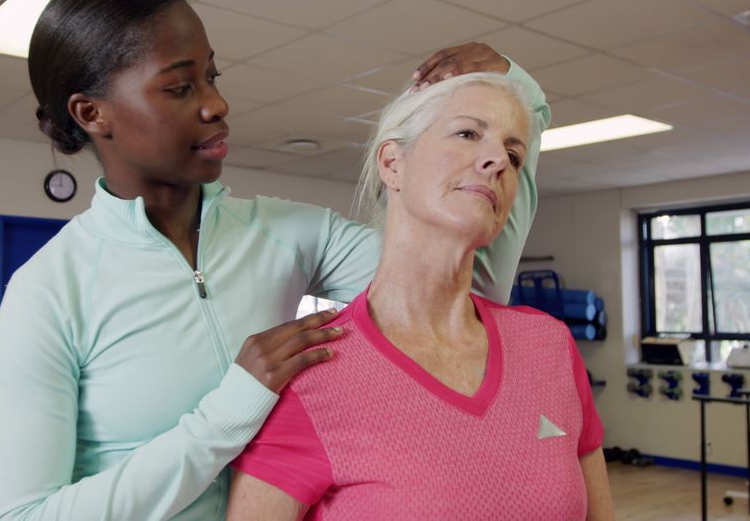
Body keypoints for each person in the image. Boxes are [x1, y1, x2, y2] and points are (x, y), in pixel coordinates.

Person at [0, 0, 550, 521]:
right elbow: (26, 514)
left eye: (212, 76)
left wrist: (519, 90)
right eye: (181, 87)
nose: (216, 104)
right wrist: (227, 413)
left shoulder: (288, 234)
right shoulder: (49, 289)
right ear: (92, 113)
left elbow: (466, 286)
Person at [226, 72, 613, 520]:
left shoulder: (550, 347)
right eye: (468, 133)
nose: (498, 161)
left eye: (513, 154)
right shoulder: (310, 372)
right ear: (392, 163)